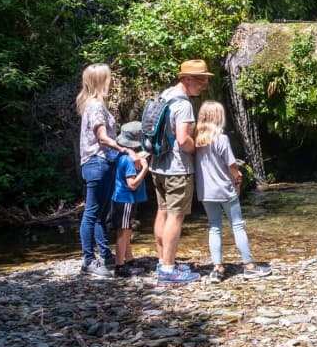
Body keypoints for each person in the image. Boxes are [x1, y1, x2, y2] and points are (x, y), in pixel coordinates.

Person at [149, 59, 213, 286]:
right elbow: (183, 139)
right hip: (177, 169)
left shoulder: (165, 95)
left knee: (163, 212)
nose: (204, 84)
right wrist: (200, 152)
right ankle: (168, 270)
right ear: (186, 79)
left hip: (157, 165)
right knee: (175, 216)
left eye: (206, 79)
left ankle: (163, 261)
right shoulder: (184, 104)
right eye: (201, 80)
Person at [195, 100, 271, 283]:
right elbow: (231, 165)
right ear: (218, 118)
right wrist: (238, 178)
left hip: (205, 191)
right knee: (237, 225)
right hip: (225, 189)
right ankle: (249, 266)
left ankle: (217, 268)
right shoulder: (221, 139)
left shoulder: (196, 141)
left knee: (214, 227)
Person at [76, 63, 137, 278]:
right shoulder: (95, 106)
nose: (111, 81)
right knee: (92, 213)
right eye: (109, 78)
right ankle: (88, 261)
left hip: (99, 163)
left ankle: (105, 255)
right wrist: (124, 150)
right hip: (97, 162)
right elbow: (101, 136)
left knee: (100, 213)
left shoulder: (93, 104)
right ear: (101, 81)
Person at [110, 121, 149, 278]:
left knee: (126, 231)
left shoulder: (122, 155)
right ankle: (120, 266)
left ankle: (129, 260)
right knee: (123, 232)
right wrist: (145, 169)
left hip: (119, 198)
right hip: (126, 199)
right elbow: (132, 184)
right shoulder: (129, 160)